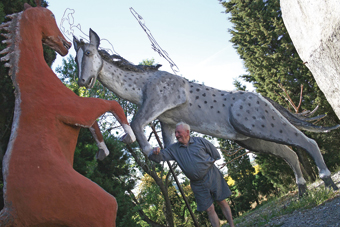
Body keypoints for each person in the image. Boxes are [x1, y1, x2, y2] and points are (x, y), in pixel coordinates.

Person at [148, 122, 235, 227]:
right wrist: (154, 152)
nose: (176, 135)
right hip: (197, 183)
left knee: (221, 200)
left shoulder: (200, 141)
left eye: (179, 132)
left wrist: (205, 166)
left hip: (212, 174)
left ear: (187, 132)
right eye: (175, 132)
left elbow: (215, 154)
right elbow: (158, 158)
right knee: (209, 208)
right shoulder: (173, 149)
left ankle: (232, 225)